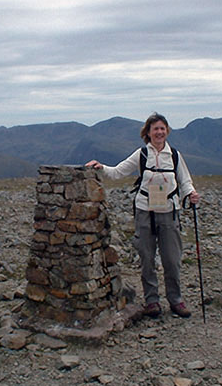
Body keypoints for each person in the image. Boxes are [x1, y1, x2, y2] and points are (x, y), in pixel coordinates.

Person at [85, 113, 200, 318]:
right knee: (146, 258)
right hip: (145, 211)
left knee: (172, 259)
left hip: (169, 211)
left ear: (167, 131)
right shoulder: (142, 154)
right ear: (148, 132)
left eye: (162, 128)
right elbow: (118, 172)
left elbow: (185, 180)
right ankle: (152, 301)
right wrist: (101, 167)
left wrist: (191, 193)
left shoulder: (174, 155)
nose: (159, 132)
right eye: (155, 128)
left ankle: (176, 300)